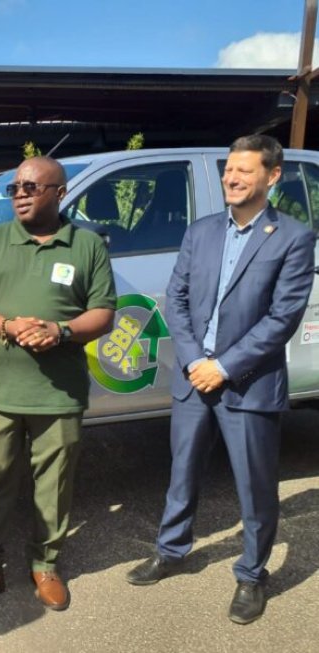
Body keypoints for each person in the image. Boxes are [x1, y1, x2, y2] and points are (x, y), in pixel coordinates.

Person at [126, 135, 315, 625]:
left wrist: (223, 366)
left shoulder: (293, 237)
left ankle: (252, 575)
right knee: (182, 471)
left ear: (272, 177)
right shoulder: (201, 231)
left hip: (247, 383)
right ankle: (171, 550)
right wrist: (193, 361)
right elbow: (179, 298)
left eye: (243, 171)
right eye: (228, 170)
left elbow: (282, 318)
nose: (231, 178)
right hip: (194, 378)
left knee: (255, 486)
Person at [0, 156, 116, 611]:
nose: (20, 194)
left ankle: (45, 567)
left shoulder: (87, 246)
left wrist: (62, 331)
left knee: (53, 484)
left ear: (59, 193)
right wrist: (9, 326)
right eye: (14, 187)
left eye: (31, 187)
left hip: (58, 393)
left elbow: (104, 314)